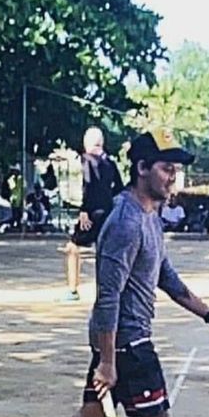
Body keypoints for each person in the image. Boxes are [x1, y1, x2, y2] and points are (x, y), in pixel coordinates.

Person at [18, 128, 209, 417]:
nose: (173, 177)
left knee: (89, 416)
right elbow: (107, 297)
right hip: (127, 343)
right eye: (166, 168)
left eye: (175, 170)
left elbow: (165, 277)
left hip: (120, 343)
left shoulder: (149, 216)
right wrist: (107, 360)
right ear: (141, 169)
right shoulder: (124, 222)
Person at [63, 126, 124, 301]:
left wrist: (84, 209)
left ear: (86, 143)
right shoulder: (111, 163)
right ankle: (108, 290)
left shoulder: (86, 160)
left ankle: (72, 290)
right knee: (104, 252)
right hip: (109, 212)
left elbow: (87, 185)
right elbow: (119, 189)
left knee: (73, 248)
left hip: (91, 212)